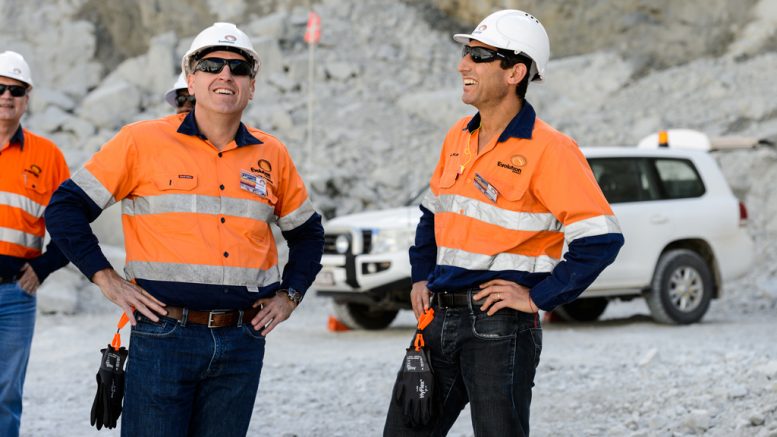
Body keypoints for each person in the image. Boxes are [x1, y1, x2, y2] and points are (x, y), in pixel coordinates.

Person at [45, 22, 324, 436]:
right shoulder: (140, 142)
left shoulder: (273, 154)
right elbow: (65, 208)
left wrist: (290, 295)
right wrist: (106, 279)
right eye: (211, 65)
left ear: (251, 87)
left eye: (239, 68)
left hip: (242, 340)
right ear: (191, 80)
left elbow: (308, 233)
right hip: (164, 337)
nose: (225, 74)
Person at [384, 10, 624, 436]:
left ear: (515, 72)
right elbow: (432, 212)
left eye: (478, 56)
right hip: (437, 319)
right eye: (466, 54)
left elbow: (602, 238)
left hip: (499, 329)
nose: (463, 65)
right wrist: (421, 275)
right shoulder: (458, 136)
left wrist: (538, 297)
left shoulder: (551, 149)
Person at [0, 50, 70, 437]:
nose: (6, 96)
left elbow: (71, 226)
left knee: (6, 392)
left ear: (27, 98)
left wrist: (44, 267)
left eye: (16, 90)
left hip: (14, 296)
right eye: (0, 88)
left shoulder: (47, 156)